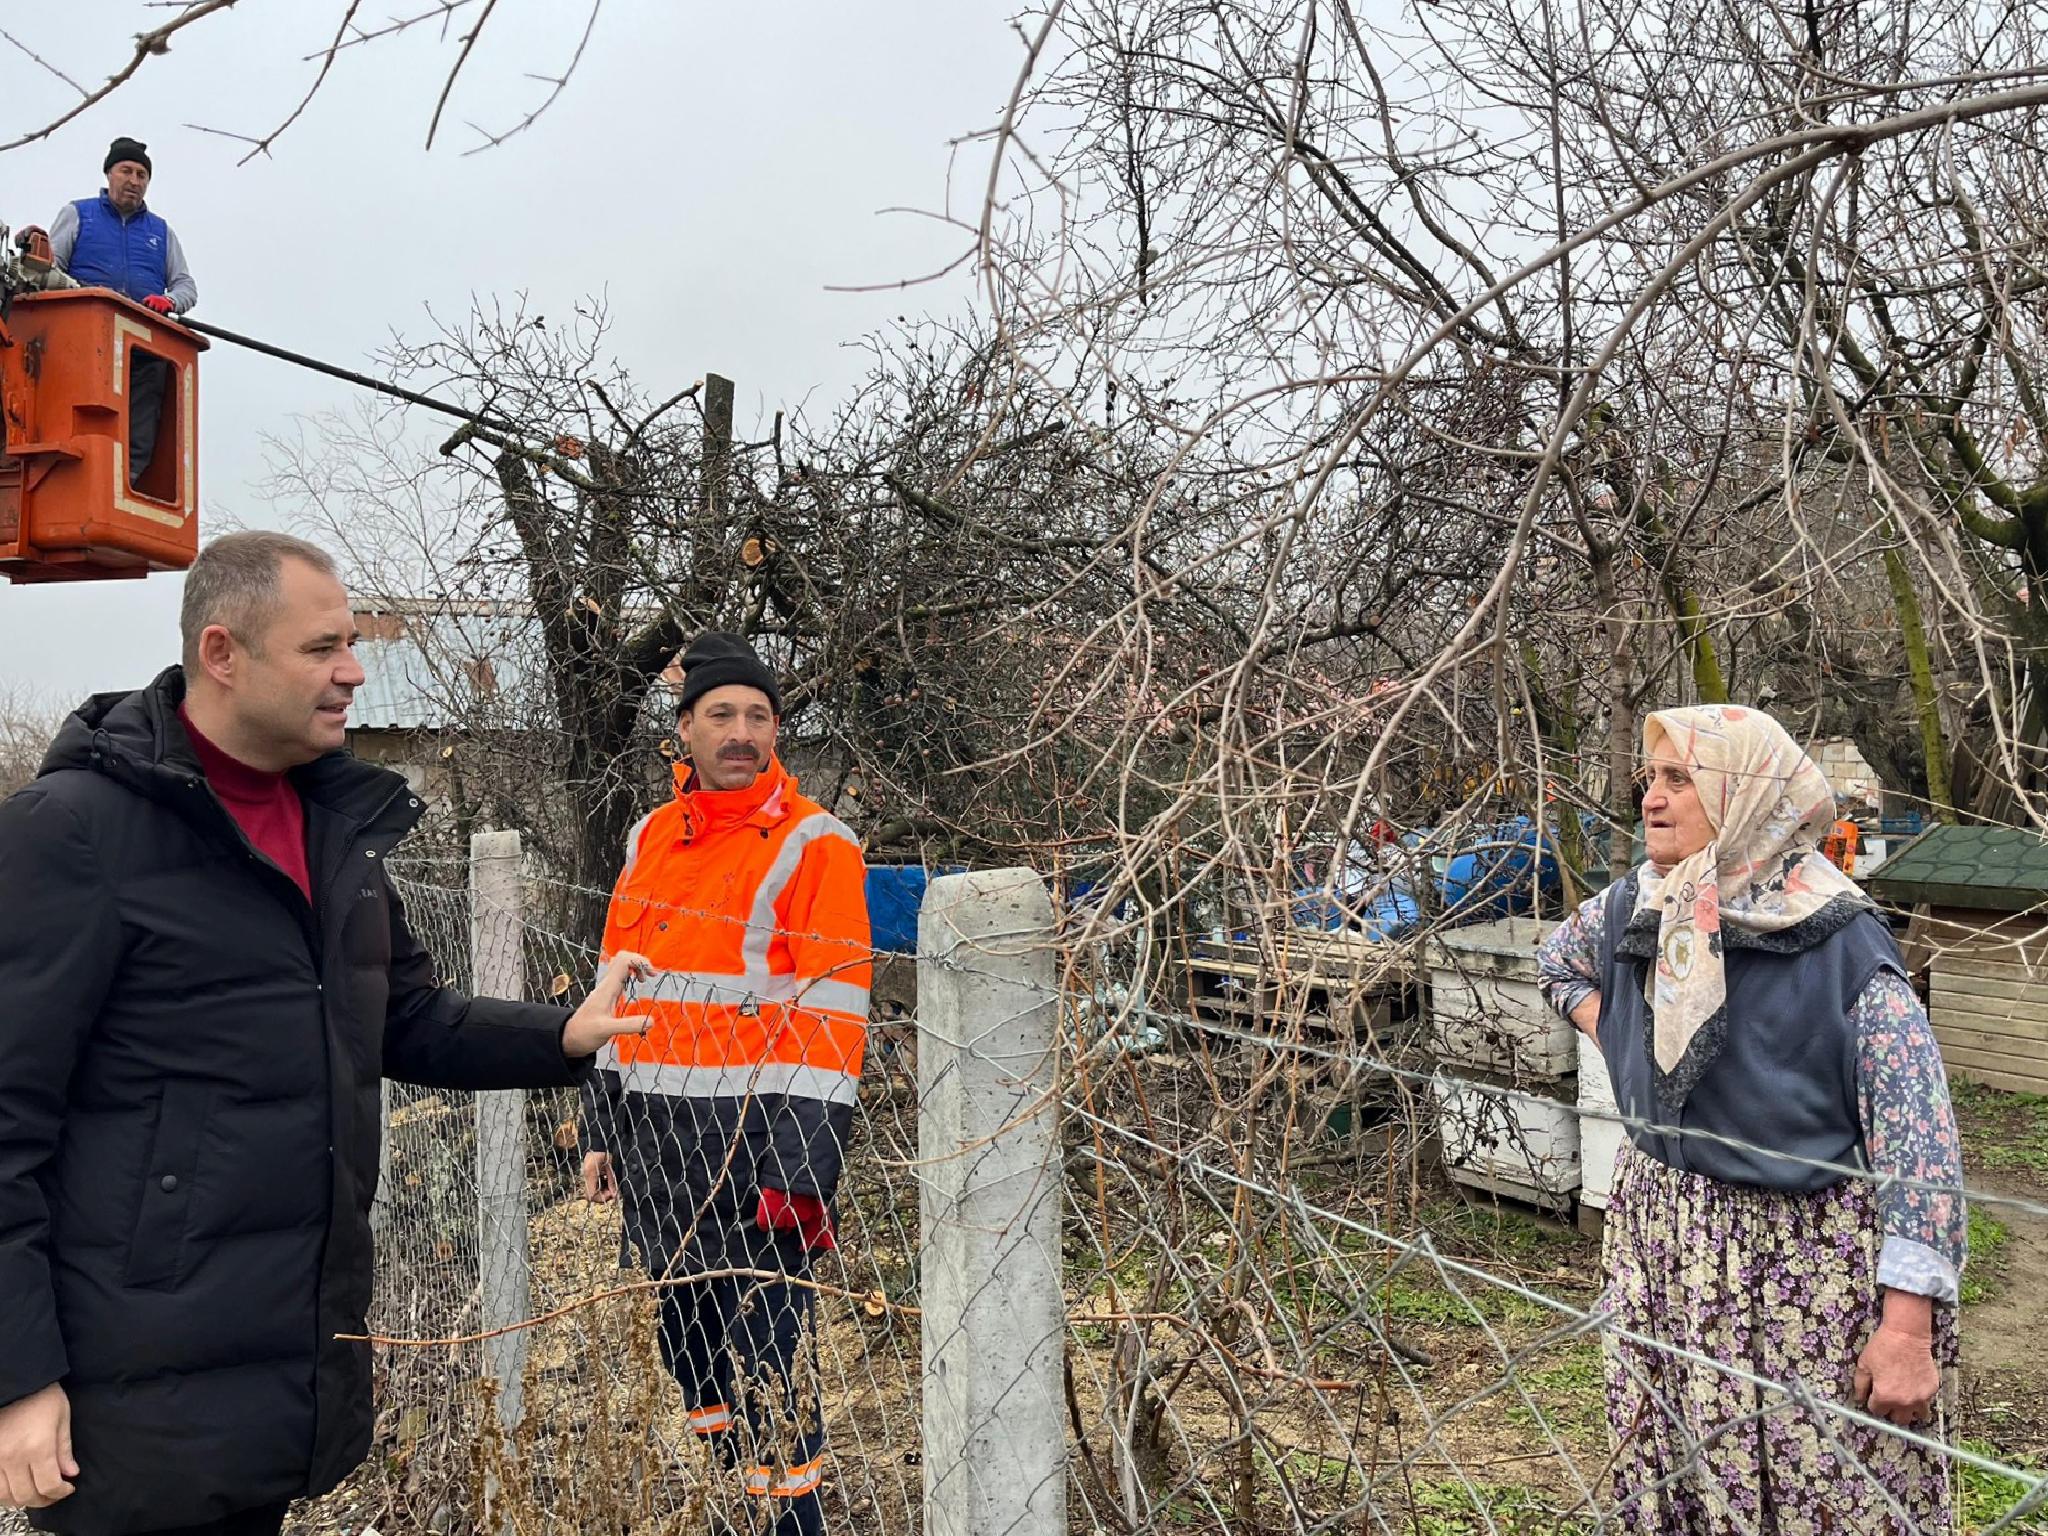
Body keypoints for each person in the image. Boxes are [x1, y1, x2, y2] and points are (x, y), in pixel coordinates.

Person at [0, 532, 653, 1536]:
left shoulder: (329, 832)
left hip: (281, 1368)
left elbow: (405, 1019)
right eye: (321, 649)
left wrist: (565, 1032)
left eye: (349, 643)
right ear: (223, 654)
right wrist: (20, 1378)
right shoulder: (77, 833)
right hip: (129, 1391)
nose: (353, 670)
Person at [1537, 704, 1965, 1533]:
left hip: (1795, 1268)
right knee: (1675, 1465)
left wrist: (1908, 1331)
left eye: (1680, 779)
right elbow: (1558, 961)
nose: (1651, 802)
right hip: (1660, 1242)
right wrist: (1625, 1033)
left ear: (1749, 795)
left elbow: (1921, 1148)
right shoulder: (1641, 903)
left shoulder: (1843, 946)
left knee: (1819, 1485)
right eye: (1648, 781)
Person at [581, 632, 871, 1536]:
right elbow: (614, 991)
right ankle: (725, 1498)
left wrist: (802, 1172)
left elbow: (833, 1019)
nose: (740, 732)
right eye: (721, 715)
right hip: (657, 1146)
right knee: (688, 1346)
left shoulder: (815, 844)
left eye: (758, 715)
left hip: (755, 1158)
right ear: (686, 730)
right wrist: (600, 1129)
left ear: (777, 728)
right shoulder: (648, 837)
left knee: (770, 1358)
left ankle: (790, 1521)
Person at [34, 137, 198, 486]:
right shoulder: (78, 214)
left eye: (142, 174)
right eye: (126, 170)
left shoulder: (161, 232)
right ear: (109, 174)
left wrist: (168, 302)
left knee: (143, 409)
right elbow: (49, 269)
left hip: (141, 346)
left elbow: (186, 287)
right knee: (83, 408)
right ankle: (75, 479)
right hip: (83, 339)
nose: (134, 180)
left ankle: (129, 480)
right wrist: (86, 295)